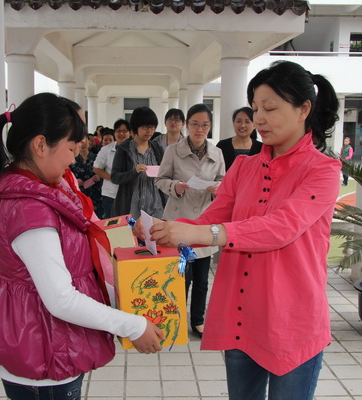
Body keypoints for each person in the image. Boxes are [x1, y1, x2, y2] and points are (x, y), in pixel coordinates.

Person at [135, 61, 341, 400]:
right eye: (256, 108)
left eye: (269, 109)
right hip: (242, 313)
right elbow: (206, 221)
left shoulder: (322, 170)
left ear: (303, 109)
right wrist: (162, 230)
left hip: (292, 319)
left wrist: (205, 235)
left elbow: (281, 227)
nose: (258, 119)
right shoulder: (244, 167)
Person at [0, 93, 164, 400]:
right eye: (71, 149)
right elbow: (61, 300)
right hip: (43, 357)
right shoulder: (31, 211)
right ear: (40, 145)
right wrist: (133, 326)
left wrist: (130, 233)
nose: (73, 159)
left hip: (52, 345)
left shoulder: (50, 188)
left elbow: (85, 231)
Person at [155, 103, 225, 339]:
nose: (199, 129)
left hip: (205, 223)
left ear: (210, 126)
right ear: (187, 125)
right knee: (180, 276)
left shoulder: (216, 153)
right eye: (195, 124)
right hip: (179, 222)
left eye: (204, 125)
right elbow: (160, 179)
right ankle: (175, 318)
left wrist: (218, 189)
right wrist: (175, 186)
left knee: (202, 279)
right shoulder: (173, 151)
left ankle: (198, 321)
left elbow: (224, 181)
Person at [111, 107, 167, 219]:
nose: (149, 131)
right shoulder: (124, 149)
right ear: (135, 127)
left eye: (152, 127)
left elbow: (165, 174)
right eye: (145, 127)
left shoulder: (157, 149)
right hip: (132, 209)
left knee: (156, 230)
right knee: (132, 231)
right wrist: (134, 172)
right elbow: (115, 177)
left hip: (156, 208)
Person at [93, 119, 131, 219]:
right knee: (112, 222)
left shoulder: (134, 150)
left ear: (130, 133)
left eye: (124, 131)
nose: (121, 134)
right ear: (114, 133)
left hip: (130, 194)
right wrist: (113, 178)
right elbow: (96, 168)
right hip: (111, 194)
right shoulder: (106, 149)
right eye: (118, 131)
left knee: (129, 223)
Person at [70, 136, 103, 217]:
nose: (83, 144)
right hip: (79, 196)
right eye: (80, 141)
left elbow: (104, 174)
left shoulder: (97, 158)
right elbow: (66, 177)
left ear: (89, 142)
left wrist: (99, 177)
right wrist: (75, 181)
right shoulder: (71, 159)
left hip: (96, 195)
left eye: (85, 141)